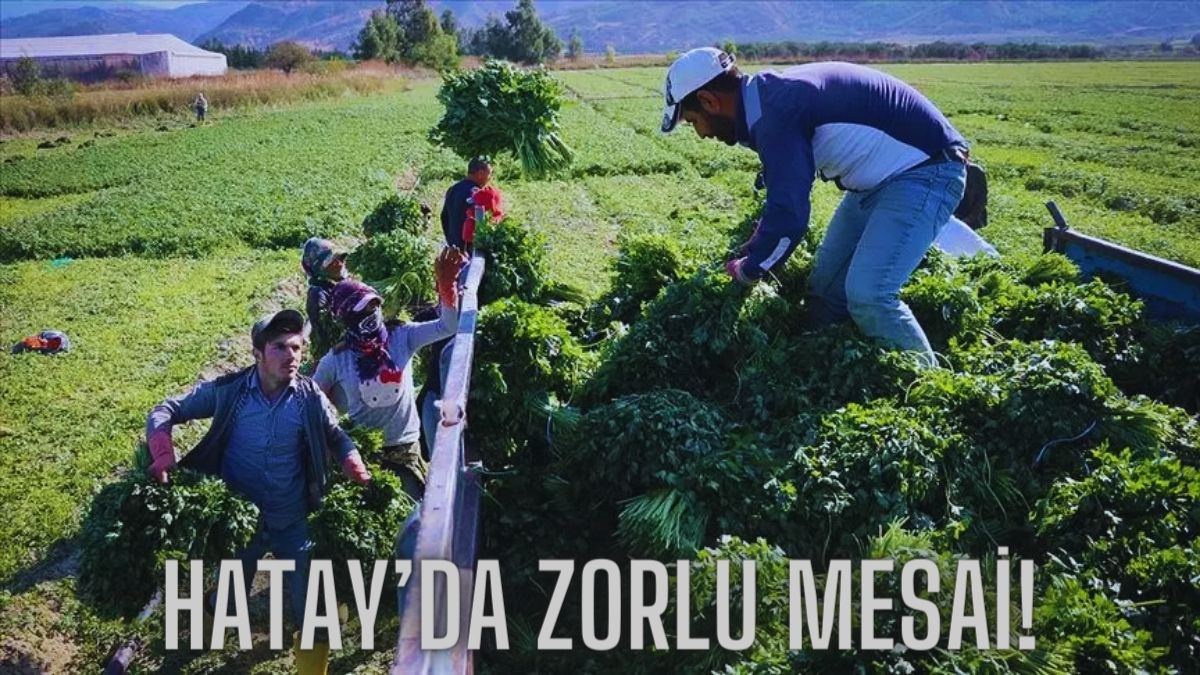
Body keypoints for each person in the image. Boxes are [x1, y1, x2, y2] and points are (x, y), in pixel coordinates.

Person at [661, 48, 968, 367]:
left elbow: (790, 219)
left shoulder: (776, 112)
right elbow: (782, 195)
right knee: (825, 293)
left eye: (694, 121)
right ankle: (820, 372)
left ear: (710, 101)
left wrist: (750, 271)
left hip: (926, 170)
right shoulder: (766, 100)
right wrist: (759, 240)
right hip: (875, 183)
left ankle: (929, 388)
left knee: (869, 295)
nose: (701, 134)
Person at [145, 309, 370, 673]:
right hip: (242, 523)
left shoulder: (310, 395)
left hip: (293, 518)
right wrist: (162, 452)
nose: (292, 355)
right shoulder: (231, 391)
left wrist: (352, 461)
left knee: (310, 607)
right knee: (230, 603)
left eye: (297, 347)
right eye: (280, 347)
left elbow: (337, 437)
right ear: (258, 353)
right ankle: (211, 615)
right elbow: (165, 409)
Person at [314, 247, 466, 499]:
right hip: (366, 457)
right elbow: (312, 400)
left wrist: (446, 286)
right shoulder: (336, 360)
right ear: (346, 321)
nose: (371, 316)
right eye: (361, 313)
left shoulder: (401, 337)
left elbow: (447, 326)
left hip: (406, 448)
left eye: (373, 307)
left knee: (415, 511)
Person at [301, 237, 350, 364]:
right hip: (337, 360)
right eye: (331, 262)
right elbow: (329, 335)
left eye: (340, 259)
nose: (339, 264)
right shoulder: (319, 294)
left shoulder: (340, 285)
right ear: (320, 270)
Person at [440, 156, 493, 249]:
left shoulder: (453, 189)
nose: (489, 178)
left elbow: (444, 217)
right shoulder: (476, 194)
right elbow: (479, 225)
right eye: (489, 174)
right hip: (467, 251)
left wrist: (451, 240)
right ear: (480, 173)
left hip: (453, 248)